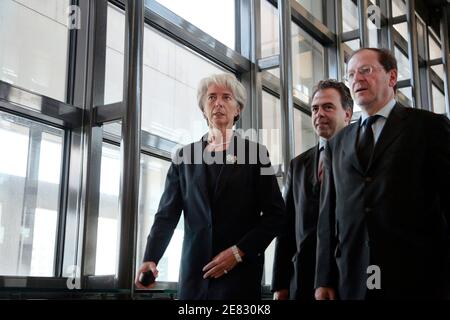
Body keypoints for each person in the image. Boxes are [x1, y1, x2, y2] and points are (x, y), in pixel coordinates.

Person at [135, 73, 285, 299]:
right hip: (194, 277)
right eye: (211, 98)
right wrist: (151, 258)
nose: (218, 103)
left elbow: (276, 215)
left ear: (238, 109)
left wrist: (238, 252)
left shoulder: (256, 154)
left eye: (227, 98)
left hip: (239, 275)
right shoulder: (183, 157)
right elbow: (167, 215)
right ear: (203, 108)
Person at [315, 48, 450, 300]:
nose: (357, 79)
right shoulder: (338, 143)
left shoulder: (429, 127)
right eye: (351, 74)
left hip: (418, 276)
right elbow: (328, 216)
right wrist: (323, 279)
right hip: (353, 277)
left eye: (366, 70)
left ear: (392, 77)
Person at [272, 80, 353, 300]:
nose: (319, 114)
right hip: (302, 281)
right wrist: (280, 284)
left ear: (347, 114)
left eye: (328, 107)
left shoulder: (361, 158)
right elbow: (286, 227)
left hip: (345, 279)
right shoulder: (298, 165)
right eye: (315, 108)